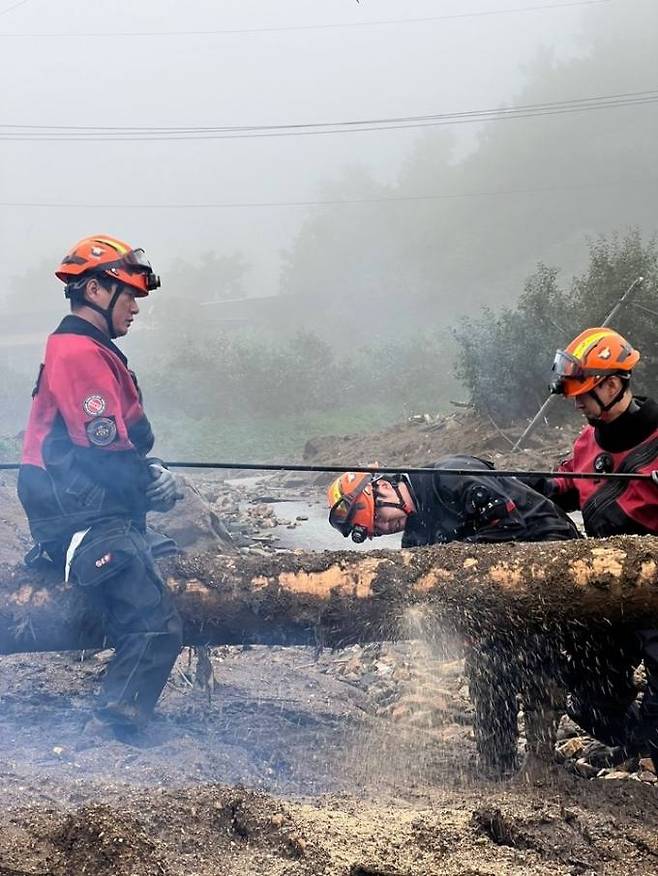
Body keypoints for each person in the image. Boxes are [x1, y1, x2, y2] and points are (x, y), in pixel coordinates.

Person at [17, 234, 184, 744]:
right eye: (128, 295)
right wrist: (151, 485)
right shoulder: (78, 353)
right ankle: (115, 724)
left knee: (161, 565)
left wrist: (147, 474)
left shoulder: (92, 350)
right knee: (157, 627)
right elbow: (102, 449)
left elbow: (124, 442)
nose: (135, 308)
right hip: (79, 514)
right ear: (94, 291)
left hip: (89, 507)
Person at [327, 454, 580, 777]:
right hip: (495, 587)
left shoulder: (449, 477)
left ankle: (540, 760)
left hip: (547, 550)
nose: (382, 528)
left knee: (534, 653)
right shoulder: (416, 540)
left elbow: (508, 524)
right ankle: (495, 760)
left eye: (377, 517)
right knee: (486, 663)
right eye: (375, 530)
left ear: (383, 488)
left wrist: (451, 563)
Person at [536, 326, 658, 766]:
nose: (577, 401)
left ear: (612, 384)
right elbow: (564, 487)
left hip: (656, 595)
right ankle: (636, 744)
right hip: (608, 592)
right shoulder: (589, 440)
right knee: (590, 703)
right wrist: (527, 486)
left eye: (585, 392)